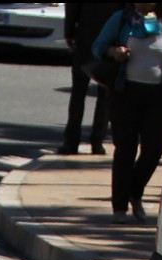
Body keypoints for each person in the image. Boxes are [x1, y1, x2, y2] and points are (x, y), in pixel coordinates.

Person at [94, 3, 162, 224]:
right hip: (125, 92)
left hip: (157, 96)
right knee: (125, 149)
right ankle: (119, 206)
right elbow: (98, 46)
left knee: (154, 150)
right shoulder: (122, 19)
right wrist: (113, 51)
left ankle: (135, 193)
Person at [58, 3, 116, 156]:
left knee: (79, 91)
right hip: (110, 37)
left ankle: (71, 142)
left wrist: (69, 31)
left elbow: (72, 7)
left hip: (86, 35)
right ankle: (97, 142)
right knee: (105, 94)